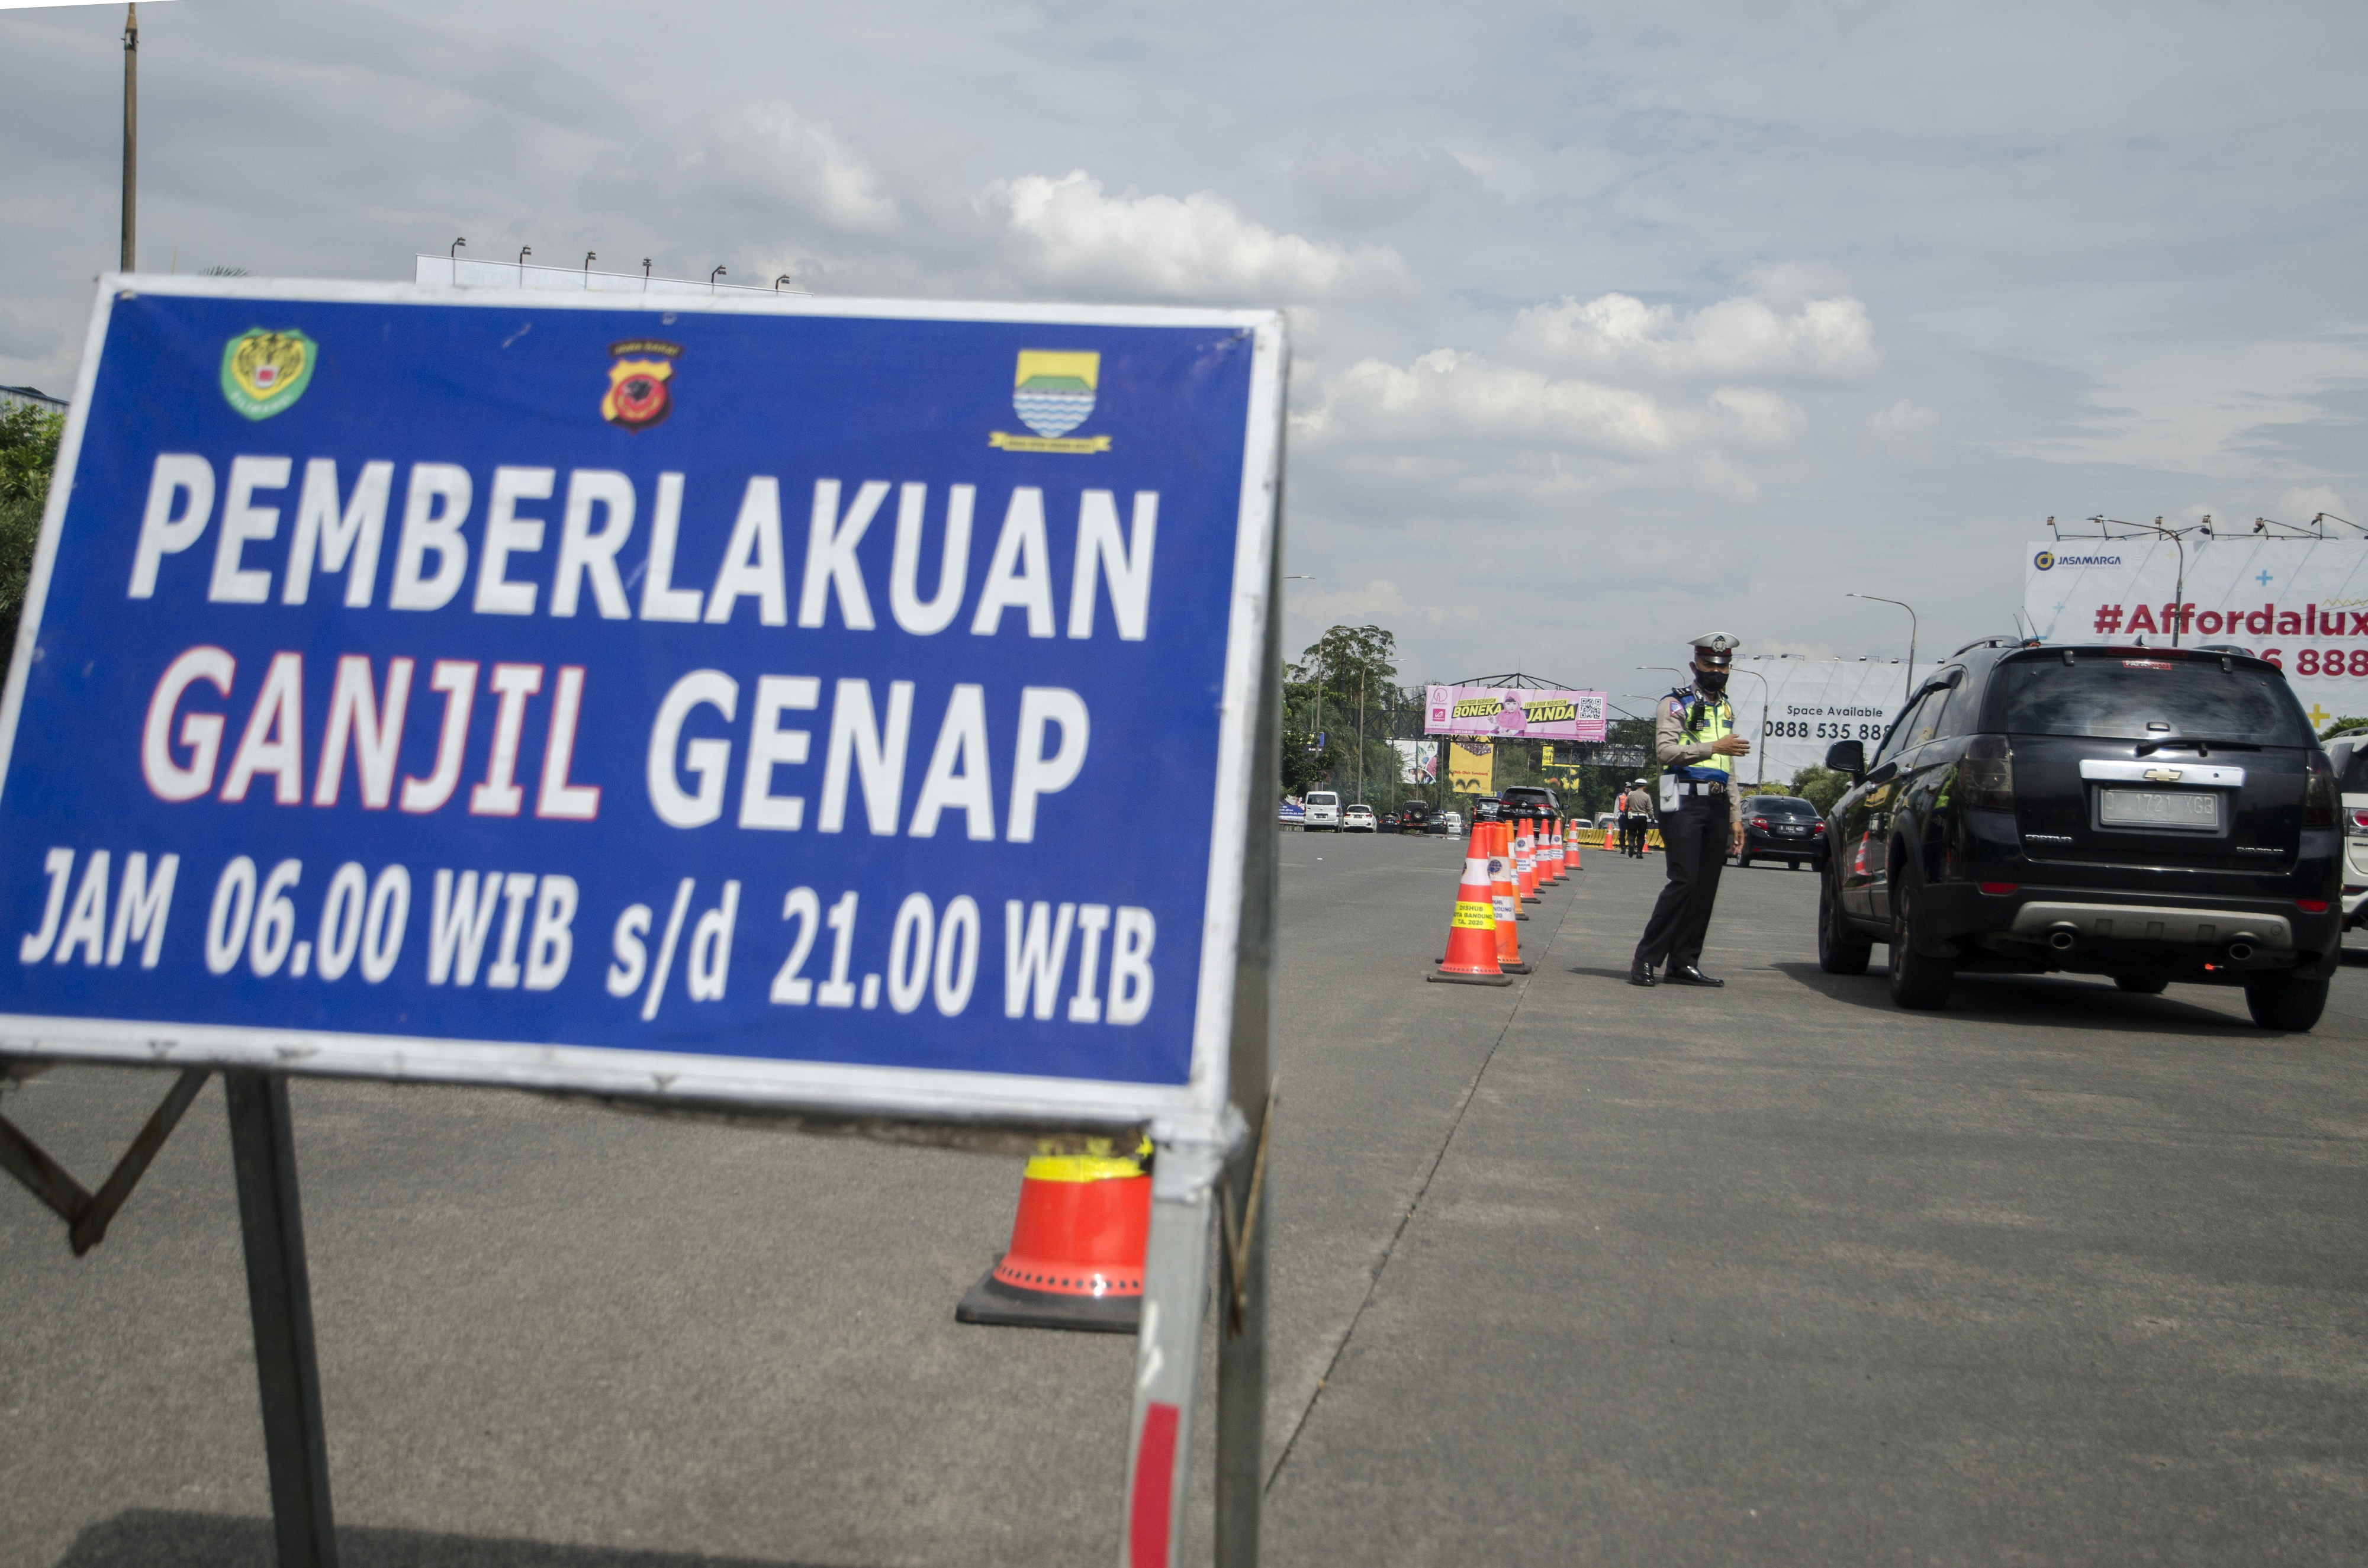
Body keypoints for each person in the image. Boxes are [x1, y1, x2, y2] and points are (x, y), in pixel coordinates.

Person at [1630, 634, 1750, 987]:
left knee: (1707, 885)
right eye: (1710, 665)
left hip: (1715, 801)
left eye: (1723, 666)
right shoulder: (1675, 704)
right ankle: (1646, 958)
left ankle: (1684, 962)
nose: (1717, 671)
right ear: (1694, 666)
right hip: (1679, 796)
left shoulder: (1725, 708)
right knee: (1685, 880)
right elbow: (1666, 753)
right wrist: (1715, 745)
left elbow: (1728, 766)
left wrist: (1736, 815)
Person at [1620, 777, 1654, 858]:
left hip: (1632, 817)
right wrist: (1652, 818)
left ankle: (1631, 846)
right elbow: (1650, 808)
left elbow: (1626, 806)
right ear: (1644, 787)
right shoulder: (1647, 796)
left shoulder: (1631, 794)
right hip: (1642, 817)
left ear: (1636, 786)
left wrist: (1625, 813)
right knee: (1641, 835)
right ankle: (1639, 853)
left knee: (1631, 834)